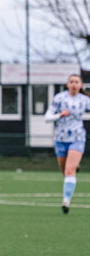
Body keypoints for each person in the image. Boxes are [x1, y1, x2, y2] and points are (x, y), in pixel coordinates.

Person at [44, 73, 90, 214]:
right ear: (67, 84)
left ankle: (66, 201)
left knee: (70, 170)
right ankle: (73, 167)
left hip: (77, 137)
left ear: (81, 85)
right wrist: (59, 115)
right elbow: (47, 117)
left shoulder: (85, 100)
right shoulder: (59, 98)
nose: (74, 84)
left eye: (77, 82)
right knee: (65, 172)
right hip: (60, 138)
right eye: (72, 81)